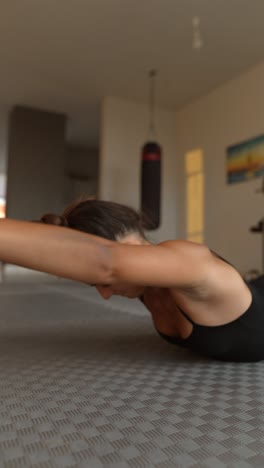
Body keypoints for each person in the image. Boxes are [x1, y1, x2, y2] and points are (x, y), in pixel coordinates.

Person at [1, 198, 263, 362]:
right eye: (96, 286)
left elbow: (107, 262)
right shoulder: (144, 288)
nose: (104, 295)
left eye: (101, 284)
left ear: (129, 245)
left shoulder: (191, 261)